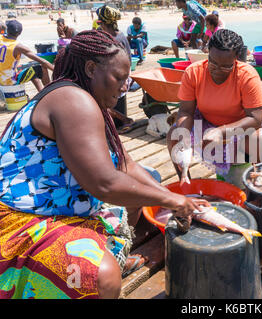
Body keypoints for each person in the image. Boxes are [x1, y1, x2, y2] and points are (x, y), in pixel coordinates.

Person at [0, 30, 209, 299]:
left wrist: (172, 196)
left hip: (58, 202)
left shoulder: (88, 99)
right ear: (90, 68)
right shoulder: (73, 101)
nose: (126, 87)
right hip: (22, 218)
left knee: (149, 181)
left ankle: (105, 250)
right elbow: (105, 184)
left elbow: (125, 165)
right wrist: (175, 204)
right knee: (104, 277)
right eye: (119, 78)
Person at [166, 29, 262, 182]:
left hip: (242, 126)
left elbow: (255, 119)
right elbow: (186, 111)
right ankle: (185, 183)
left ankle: (261, 191)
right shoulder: (193, 72)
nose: (217, 70)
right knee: (174, 134)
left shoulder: (247, 75)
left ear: (236, 59)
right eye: (213, 63)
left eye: (225, 66)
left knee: (261, 139)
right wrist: (183, 136)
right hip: (207, 122)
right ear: (208, 53)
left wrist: (220, 132)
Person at [96, 5, 142, 134]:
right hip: (122, 77)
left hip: (118, 79)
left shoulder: (113, 39)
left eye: (100, 23)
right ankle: (121, 119)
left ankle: (121, 119)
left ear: (104, 23)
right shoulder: (120, 35)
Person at [0, 20, 54, 92]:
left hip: (2, 76)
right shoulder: (18, 46)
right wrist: (57, 70)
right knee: (41, 67)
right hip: (9, 80)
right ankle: (49, 92)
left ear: (7, 29)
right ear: (20, 33)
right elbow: (43, 62)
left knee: (31, 67)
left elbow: (1, 26)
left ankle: (41, 91)